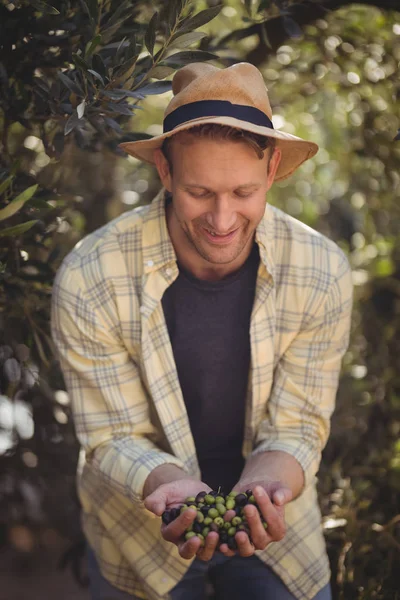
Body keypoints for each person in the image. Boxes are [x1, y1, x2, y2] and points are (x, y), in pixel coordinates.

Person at [51, 62, 353, 600]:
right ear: (165, 173)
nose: (221, 218)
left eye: (243, 191)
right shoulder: (90, 274)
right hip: (137, 531)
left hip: (277, 528)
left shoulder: (322, 271)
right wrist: (169, 486)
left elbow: (299, 425)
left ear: (273, 168)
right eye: (199, 191)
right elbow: (110, 433)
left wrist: (268, 487)